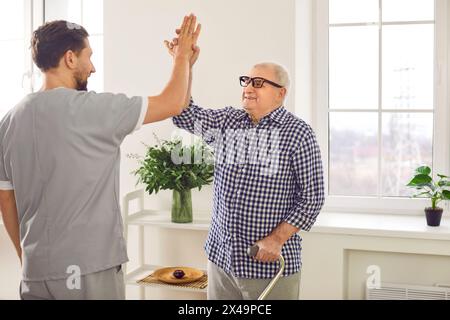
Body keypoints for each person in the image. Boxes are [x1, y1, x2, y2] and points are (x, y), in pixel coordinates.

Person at [0, 15, 201, 300]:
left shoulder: (9, 120)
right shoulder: (94, 109)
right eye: (88, 57)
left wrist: (28, 259)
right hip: (86, 269)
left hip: (35, 271)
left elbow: (5, 198)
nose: (92, 67)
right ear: (70, 58)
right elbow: (174, 102)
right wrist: (182, 58)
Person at [165, 38, 324, 299]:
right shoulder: (229, 120)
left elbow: (312, 198)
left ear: (281, 92)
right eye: (246, 81)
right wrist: (183, 64)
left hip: (267, 266)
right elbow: (184, 114)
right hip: (221, 261)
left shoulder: (299, 133)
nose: (248, 87)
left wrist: (276, 240)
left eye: (258, 83)